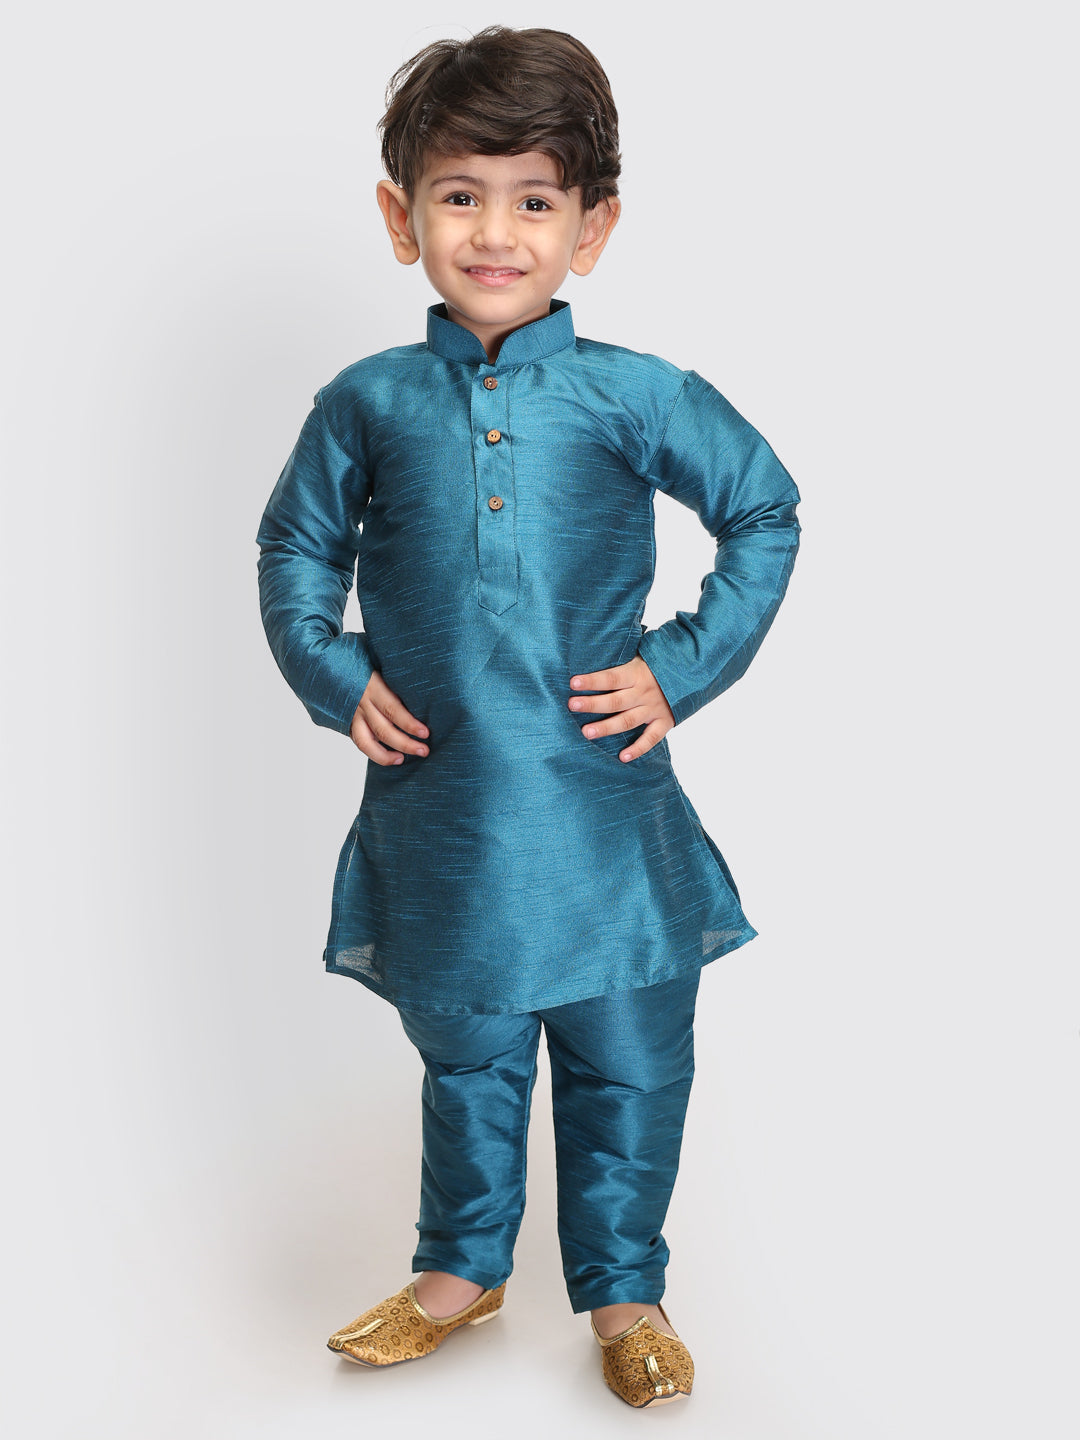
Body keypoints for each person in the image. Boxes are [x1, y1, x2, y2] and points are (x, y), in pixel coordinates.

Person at [256, 25, 800, 1410]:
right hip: (446, 812)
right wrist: (336, 676)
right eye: (460, 195)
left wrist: (681, 667)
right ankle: (460, 1270)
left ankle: (625, 1293)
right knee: (468, 1052)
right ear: (402, 218)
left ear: (590, 228)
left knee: (629, 1057)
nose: (495, 232)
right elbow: (295, 549)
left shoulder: (636, 393)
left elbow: (764, 508)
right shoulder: (367, 403)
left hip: (602, 810)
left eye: (535, 199)